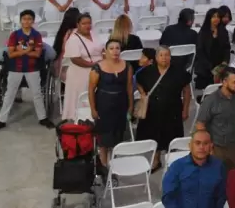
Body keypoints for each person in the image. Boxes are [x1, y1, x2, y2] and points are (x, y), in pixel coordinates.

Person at [0, 9, 55, 132]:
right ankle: (1, 120)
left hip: (33, 69)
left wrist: (19, 51)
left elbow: (37, 54)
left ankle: (43, 118)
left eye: (29, 19)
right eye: (24, 19)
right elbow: (10, 54)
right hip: (15, 69)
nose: (27, 21)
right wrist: (28, 50)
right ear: (21, 21)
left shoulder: (36, 35)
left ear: (33, 21)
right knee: (9, 94)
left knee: (37, 94)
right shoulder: (14, 35)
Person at [135, 45, 192, 170]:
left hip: (173, 110)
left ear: (170, 57)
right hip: (152, 111)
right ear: (156, 57)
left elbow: (187, 91)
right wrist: (143, 93)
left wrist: (185, 108)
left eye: (167, 55)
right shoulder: (147, 71)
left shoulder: (179, 72)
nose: (164, 58)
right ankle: (156, 160)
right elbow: (137, 81)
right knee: (153, 135)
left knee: (171, 136)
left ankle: (171, 162)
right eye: (161, 55)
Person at [88, 38, 133, 170]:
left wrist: (130, 106)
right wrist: (93, 109)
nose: (115, 51)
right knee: (103, 138)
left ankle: (114, 164)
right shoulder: (97, 67)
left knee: (117, 135)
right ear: (105, 51)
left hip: (121, 104)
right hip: (103, 104)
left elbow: (129, 87)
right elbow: (91, 89)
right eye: (111, 48)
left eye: (117, 48)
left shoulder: (127, 66)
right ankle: (103, 166)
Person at [162, 129, 228, 208]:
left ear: (211, 146)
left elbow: (221, 195)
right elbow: (168, 197)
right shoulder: (176, 167)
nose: (201, 147)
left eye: (205, 143)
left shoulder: (219, 166)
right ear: (190, 146)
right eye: (197, 143)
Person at [195, 66, 235, 170]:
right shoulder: (210, 101)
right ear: (224, 82)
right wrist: (208, 148)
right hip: (218, 148)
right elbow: (200, 125)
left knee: (233, 177)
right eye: (234, 82)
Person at [62, 13, 103, 120]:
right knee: (80, 96)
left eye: (89, 23)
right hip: (80, 73)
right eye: (84, 23)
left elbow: (101, 47)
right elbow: (75, 59)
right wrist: (92, 65)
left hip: (97, 70)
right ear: (78, 25)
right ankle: (79, 121)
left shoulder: (93, 34)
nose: (87, 26)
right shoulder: (73, 39)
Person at [195, 8, 231, 92]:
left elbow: (227, 48)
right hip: (206, 67)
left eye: (218, 17)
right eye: (213, 17)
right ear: (209, 18)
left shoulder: (223, 31)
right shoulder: (203, 33)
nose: (216, 19)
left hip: (220, 65)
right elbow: (200, 52)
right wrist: (211, 68)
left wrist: (225, 61)